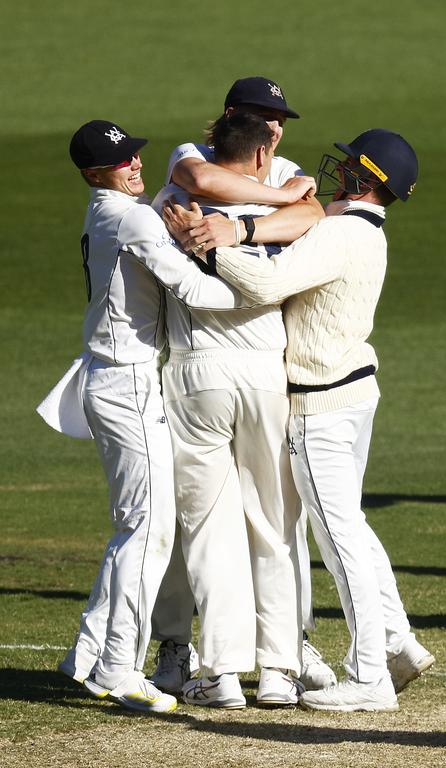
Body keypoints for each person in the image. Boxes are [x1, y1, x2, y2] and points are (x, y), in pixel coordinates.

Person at [176, 128, 434, 711]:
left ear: (365, 179)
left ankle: (370, 676)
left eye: (347, 166)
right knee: (353, 528)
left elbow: (266, 282)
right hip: (352, 394)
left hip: (321, 405)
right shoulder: (364, 230)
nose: (335, 170)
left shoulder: (342, 233)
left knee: (339, 539)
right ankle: (397, 644)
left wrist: (212, 248)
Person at [43, 120, 254, 714]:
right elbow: (193, 287)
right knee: (148, 529)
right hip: (126, 381)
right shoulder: (132, 218)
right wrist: (266, 294)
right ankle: (117, 667)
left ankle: (87, 654)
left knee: (134, 527)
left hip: (114, 376)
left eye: (134, 153)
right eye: (121, 161)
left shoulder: (109, 210)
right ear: (94, 174)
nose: (136, 164)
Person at [148, 76, 334, 696]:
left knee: (210, 526)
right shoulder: (208, 173)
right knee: (275, 522)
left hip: (198, 370)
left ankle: (223, 671)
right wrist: (277, 201)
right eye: (267, 120)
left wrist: (237, 228)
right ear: (254, 136)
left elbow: (307, 207)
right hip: (266, 370)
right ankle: (278, 671)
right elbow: (309, 213)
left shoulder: (176, 196)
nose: (278, 129)